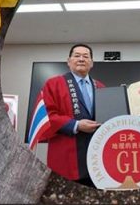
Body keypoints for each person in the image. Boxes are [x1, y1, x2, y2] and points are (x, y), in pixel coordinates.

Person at [40, 43, 105, 186]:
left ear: (92, 63)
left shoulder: (100, 86)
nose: (81, 59)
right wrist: (76, 125)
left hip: (96, 157)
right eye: (77, 56)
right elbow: (46, 117)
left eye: (86, 56)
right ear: (68, 61)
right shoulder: (53, 84)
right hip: (67, 154)